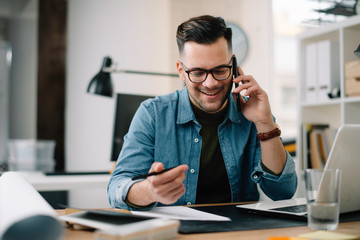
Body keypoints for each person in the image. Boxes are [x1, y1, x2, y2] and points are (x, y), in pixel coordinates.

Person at [107, 15, 297, 210]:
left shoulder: (254, 114)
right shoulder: (153, 114)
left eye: (220, 70)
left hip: (237, 232)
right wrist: (148, 191)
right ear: (181, 70)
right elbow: (116, 188)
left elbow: (283, 192)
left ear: (233, 65)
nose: (210, 83)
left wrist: (265, 123)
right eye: (197, 73)